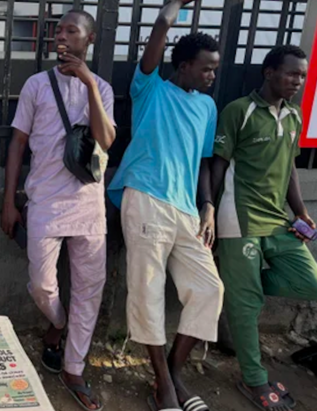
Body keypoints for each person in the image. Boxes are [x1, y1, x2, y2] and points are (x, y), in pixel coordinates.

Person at [106, 1, 223, 410]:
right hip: (145, 198)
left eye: (215, 69)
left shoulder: (207, 107)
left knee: (210, 288)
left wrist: (207, 206)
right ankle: (164, 386)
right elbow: (158, 29)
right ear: (184, 65)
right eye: (206, 68)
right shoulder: (151, 88)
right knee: (147, 293)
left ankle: (173, 371)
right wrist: (171, 8)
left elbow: (204, 161)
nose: (212, 76)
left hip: (187, 210)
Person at [1, 9, 116, 410]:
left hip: (88, 203)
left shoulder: (101, 87)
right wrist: (9, 201)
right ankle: (58, 323)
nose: (62, 37)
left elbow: (106, 140)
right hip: (45, 200)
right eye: (59, 31)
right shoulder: (36, 85)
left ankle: (74, 367)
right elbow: (17, 143)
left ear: (90, 39)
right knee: (42, 284)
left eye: (72, 30)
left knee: (89, 289)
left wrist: (88, 84)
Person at [211, 45, 315, 411]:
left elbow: (289, 169)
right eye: (291, 73)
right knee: (246, 301)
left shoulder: (294, 116)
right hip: (237, 218)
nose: (297, 82)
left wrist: (300, 211)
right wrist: (207, 211)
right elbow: (217, 165)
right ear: (269, 72)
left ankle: (241, 284)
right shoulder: (239, 111)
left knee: (310, 281)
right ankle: (252, 378)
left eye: (301, 76)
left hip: (278, 220)